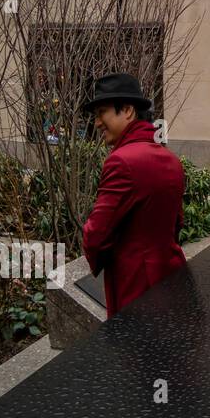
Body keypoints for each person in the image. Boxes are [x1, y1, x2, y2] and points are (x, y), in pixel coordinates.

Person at [80, 73, 187, 318]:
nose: (97, 122)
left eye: (102, 112)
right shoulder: (170, 159)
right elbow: (176, 224)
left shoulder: (121, 161)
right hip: (173, 279)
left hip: (136, 289)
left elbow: (95, 235)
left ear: (127, 110)